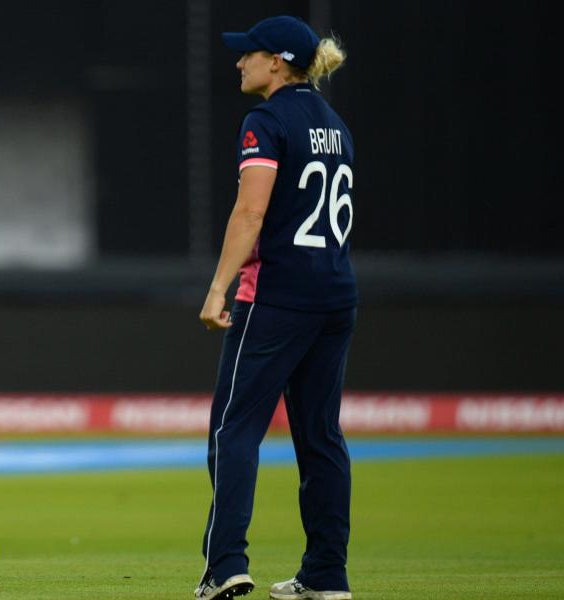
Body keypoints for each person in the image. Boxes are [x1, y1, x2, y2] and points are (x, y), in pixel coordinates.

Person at [194, 16, 356, 600]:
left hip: (277, 296)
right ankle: (327, 573)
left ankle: (225, 565)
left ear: (279, 63)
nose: (239, 63)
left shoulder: (265, 120)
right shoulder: (335, 125)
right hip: (335, 294)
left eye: (249, 54)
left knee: (234, 428)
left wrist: (218, 288)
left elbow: (250, 213)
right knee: (321, 437)